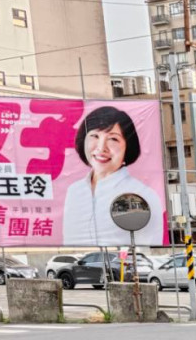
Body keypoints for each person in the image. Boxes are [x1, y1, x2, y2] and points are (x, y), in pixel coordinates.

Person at [62, 106, 164, 247]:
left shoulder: (142, 195)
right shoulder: (74, 191)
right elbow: (69, 241)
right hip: (81, 266)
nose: (101, 147)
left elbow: (149, 246)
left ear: (128, 146)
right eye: (95, 136)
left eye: (113, 139)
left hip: (123, 266)